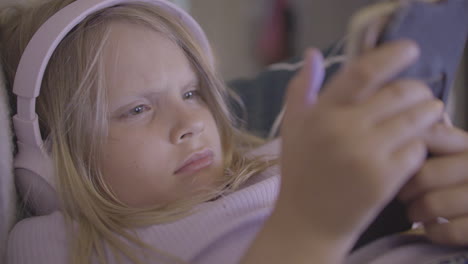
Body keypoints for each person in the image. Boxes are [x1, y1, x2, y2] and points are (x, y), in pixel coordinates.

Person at [1, 0, 467, 263]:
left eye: (191, 94)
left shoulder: (282, 157)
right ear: (47, 162)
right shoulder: (61, 247)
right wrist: (310, 227)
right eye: (137, 109)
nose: (190, 124)